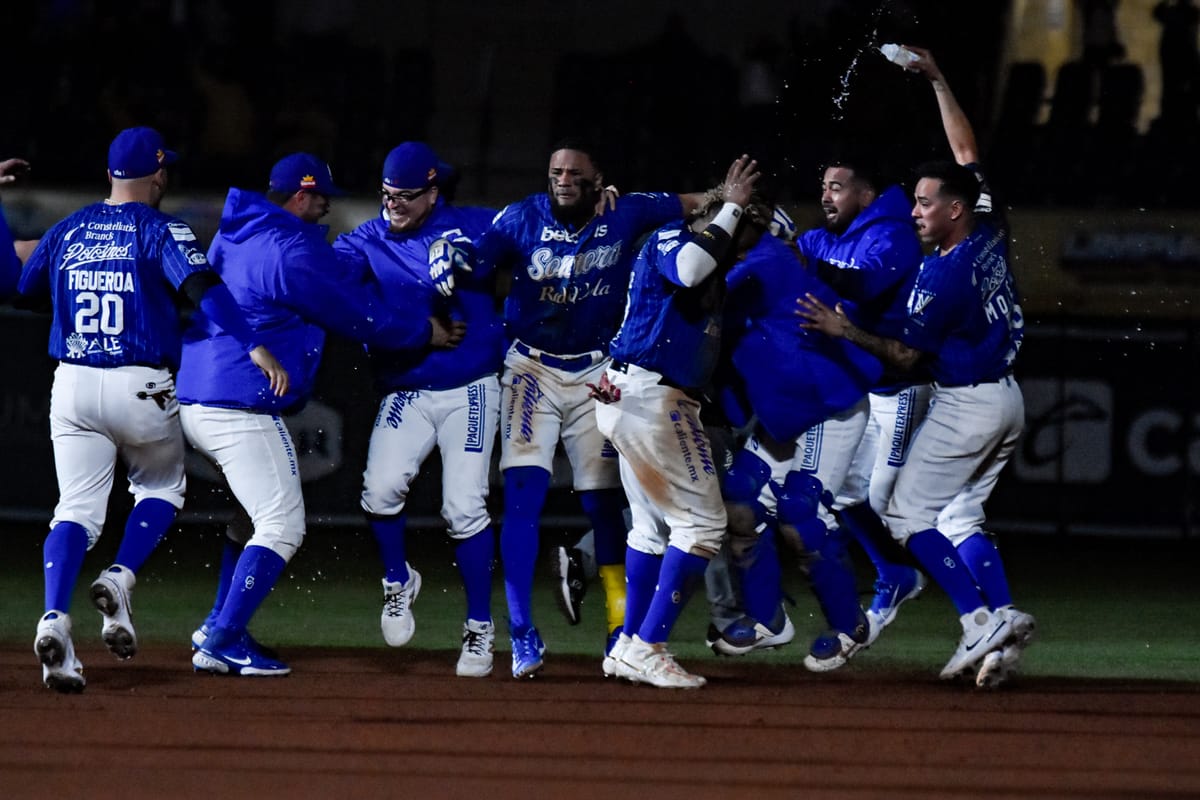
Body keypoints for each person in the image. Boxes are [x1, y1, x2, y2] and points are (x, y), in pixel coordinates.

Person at [796, 48, 1036, 688]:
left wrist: (844, 328)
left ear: (953, 210)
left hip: (965, 401)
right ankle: (1002, 630)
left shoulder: (943, 276)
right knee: (961, 518)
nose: (914, 211)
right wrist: (937, 78)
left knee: (903, 514)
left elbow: (905, 356)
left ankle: (977, 619)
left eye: (926, 204)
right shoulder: (985, 229)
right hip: (1007, 395)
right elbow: (965, 150)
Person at [17, 127, 287, 693]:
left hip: (70, 384)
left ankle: (53, 617)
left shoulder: (69, 228)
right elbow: (204, 290)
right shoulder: (159, 228)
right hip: (139, 381)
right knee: (162, 489)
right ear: (159, 175)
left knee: (74, 511)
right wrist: (254, 345)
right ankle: (119, 577)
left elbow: (19, 281)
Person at [183, 152, 463, 677]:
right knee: (282, 525)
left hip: (200, 393)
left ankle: (221, 624)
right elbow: (358, 315)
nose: (326, 208)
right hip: (237, 403)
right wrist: (426, 332)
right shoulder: (288, 248)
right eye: (321, 198)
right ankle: (221, 638)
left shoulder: (236, 232)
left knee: (251, 519)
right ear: (300, 196)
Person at [465, 138, 711, 678]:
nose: (563, 179)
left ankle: (619, 627)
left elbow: (699, 201)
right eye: (556, 170)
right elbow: (475, 264)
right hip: (532, 369)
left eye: (575, 172)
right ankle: (523, 631)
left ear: (598, 178)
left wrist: (731, 198)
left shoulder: (629, 210)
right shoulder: (520, 217)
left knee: (604, 505)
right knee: (523, 497)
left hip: (599, 371)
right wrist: (453, 263)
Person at [596, 154, 769, 688]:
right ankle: (649, 645)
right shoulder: (673, 239)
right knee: (704, 525)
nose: (743, 240)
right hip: (651, 398)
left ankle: (627, 644)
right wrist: (731, 208)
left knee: (650, 529)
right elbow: (691, 267)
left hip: (641, 396)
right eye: (742, 227)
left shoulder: (711, 259)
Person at [333, 142, 504, 677]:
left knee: (463, 508)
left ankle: (479, 628)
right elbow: (321, 273)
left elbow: (529, 228)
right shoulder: (368, 238)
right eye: (387, 195)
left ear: (433, 192)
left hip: (471, 385)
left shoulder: (471, 223)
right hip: (406, 385)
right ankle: (397, 581)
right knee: (379, 491)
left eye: (407, 196)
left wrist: (477, 256)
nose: (394, 206)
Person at [797, 155, 930, 648]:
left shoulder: (892, 234)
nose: (826, 195)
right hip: (865, 390)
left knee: (889, 505)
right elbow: (792, 261)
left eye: (837, 186)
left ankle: (984, 610)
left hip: (907, 389)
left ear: (866, 195)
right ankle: (896, 574)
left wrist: (804, 260)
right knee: (849, 494)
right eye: (823, 185)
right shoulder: (823, 239)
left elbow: (866, 283)